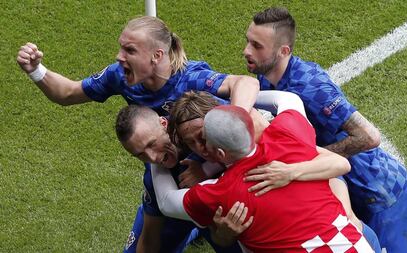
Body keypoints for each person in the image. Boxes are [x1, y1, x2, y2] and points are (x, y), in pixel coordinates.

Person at [16, 15, 259, 253]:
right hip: (166, 174)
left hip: (217, 175)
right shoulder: (120, 76)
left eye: (129, 50)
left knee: (237, 236)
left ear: (157, 56)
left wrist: (225, 133)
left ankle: (197, 226)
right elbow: (67, 93)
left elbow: (246, 83)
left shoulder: (190, 79)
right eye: (121, 48)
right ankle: (189, 227)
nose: (119, 56)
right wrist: (36, 70)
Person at [242, 7, 407, 252]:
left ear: (284, 51)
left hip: (382, 195)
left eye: (257, 46)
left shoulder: (312, 88)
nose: (246, 51)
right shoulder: (266, 76)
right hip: (352, 188)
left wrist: (312, 159)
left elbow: (369, 137)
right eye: (248, 41)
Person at [151, 97, 374, 251]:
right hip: (358, 243)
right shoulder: (288, 135)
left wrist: (156, 158)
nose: (200, 148)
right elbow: (287, 99)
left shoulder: (220, 192)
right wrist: (233, 96)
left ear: (220, 151)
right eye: (191, 143)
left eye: (203, 138)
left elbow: (165, 201)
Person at [115, 104, 243, 253]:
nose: (153, 158)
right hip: (181, 206)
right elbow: (150, 236)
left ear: (164, 124)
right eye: (140, 154)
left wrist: (206, 169)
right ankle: (194, 227)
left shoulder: (197, 117)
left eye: (152, 144)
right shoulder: (156, 176)